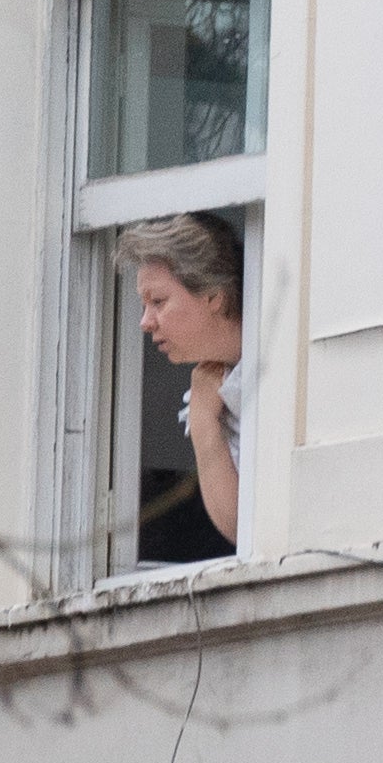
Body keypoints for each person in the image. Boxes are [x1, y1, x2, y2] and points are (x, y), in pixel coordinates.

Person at [116, 213, 247, 545]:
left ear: (213, 295)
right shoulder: (210, 388)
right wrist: (203, 425)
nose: (145, 322)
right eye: (145, 305)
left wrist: (204, 421)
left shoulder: (282, 365)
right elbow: (242, 531)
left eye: (158, 301)